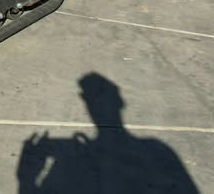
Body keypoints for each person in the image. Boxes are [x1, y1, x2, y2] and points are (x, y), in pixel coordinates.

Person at [17, 73, 199, 194]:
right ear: (121, 103)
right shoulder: (159, 150)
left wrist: (26, 179)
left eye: (88, 98)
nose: (92, 106)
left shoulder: (158, 150)